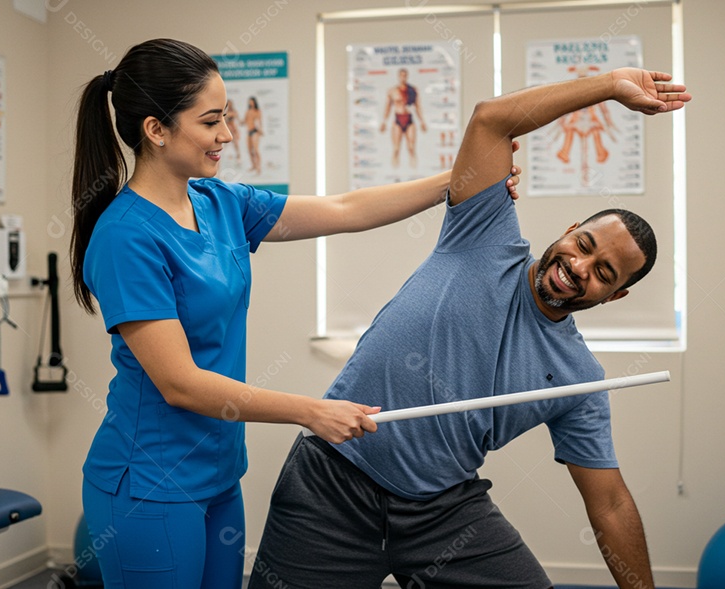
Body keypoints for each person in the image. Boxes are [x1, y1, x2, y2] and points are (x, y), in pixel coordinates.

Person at [68, 38, 521, 589]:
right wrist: (311, 411)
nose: (228, 135)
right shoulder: (127, 237)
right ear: (156, 130)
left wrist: (462, 183)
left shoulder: (217, 203)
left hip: (217, 472)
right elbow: (179, 384)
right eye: (211, 122)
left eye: (227, 118)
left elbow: (344, 209)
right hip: (148, 484)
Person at [249, 67, 691, 589]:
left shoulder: (581, 379)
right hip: (332, 484)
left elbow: (611, 503)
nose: (579, 268)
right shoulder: (487, 233)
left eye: (603, 274)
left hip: (442, 513)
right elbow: (492, 120)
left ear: (615, 295)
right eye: (585, 246)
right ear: (571, 230)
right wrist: (611, 85)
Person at [379, 68, 427, 168]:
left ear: (407, 76)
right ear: (398, 76)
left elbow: (417, 106)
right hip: (398, 120)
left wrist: (422, 121)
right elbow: (387, 107)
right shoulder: (392, 91)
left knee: (411, 148)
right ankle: (393, 172)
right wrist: (384, 122)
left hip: (409, 119)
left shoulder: (412, 90)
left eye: (405, 75)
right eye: (401, 75)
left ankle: (415, 171)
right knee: (396, 149)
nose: (403, 77)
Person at [243, 96, 262, 174]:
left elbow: (259, 121)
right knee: (250, 150)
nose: (250, 103)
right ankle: (253, 165)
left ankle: (258, 167)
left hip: (255, 131)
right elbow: (244, 121)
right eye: (249, 102)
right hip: (249, 131)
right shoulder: (248, 111)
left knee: (256, 150)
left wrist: (260, 129)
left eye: (252, 102)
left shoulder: (257, 111)